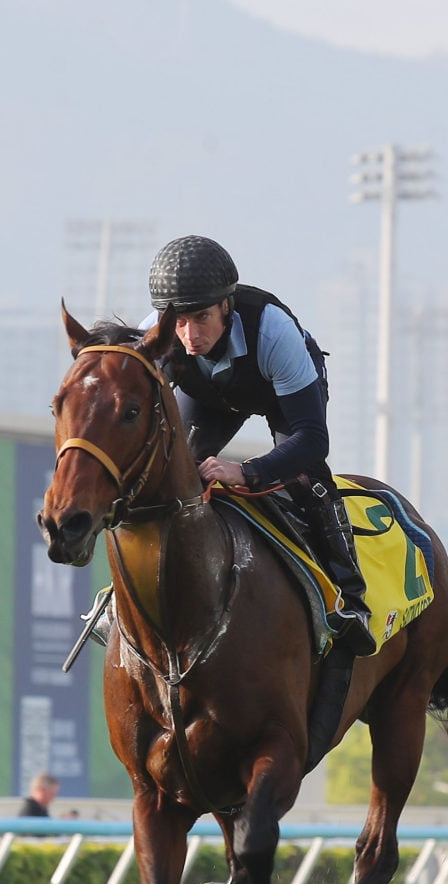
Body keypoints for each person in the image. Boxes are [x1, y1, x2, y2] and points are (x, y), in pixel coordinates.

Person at [146, 235, 372, 655]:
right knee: (169, 478)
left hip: (278, 393)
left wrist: (247, 472)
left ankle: (351, 600)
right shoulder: (156, 335)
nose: (189, 336)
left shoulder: (274, 333)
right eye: (178, 322)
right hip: (211, 395)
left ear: (226, 306)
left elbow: (312, 440)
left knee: (307, 479)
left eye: (202, 318)